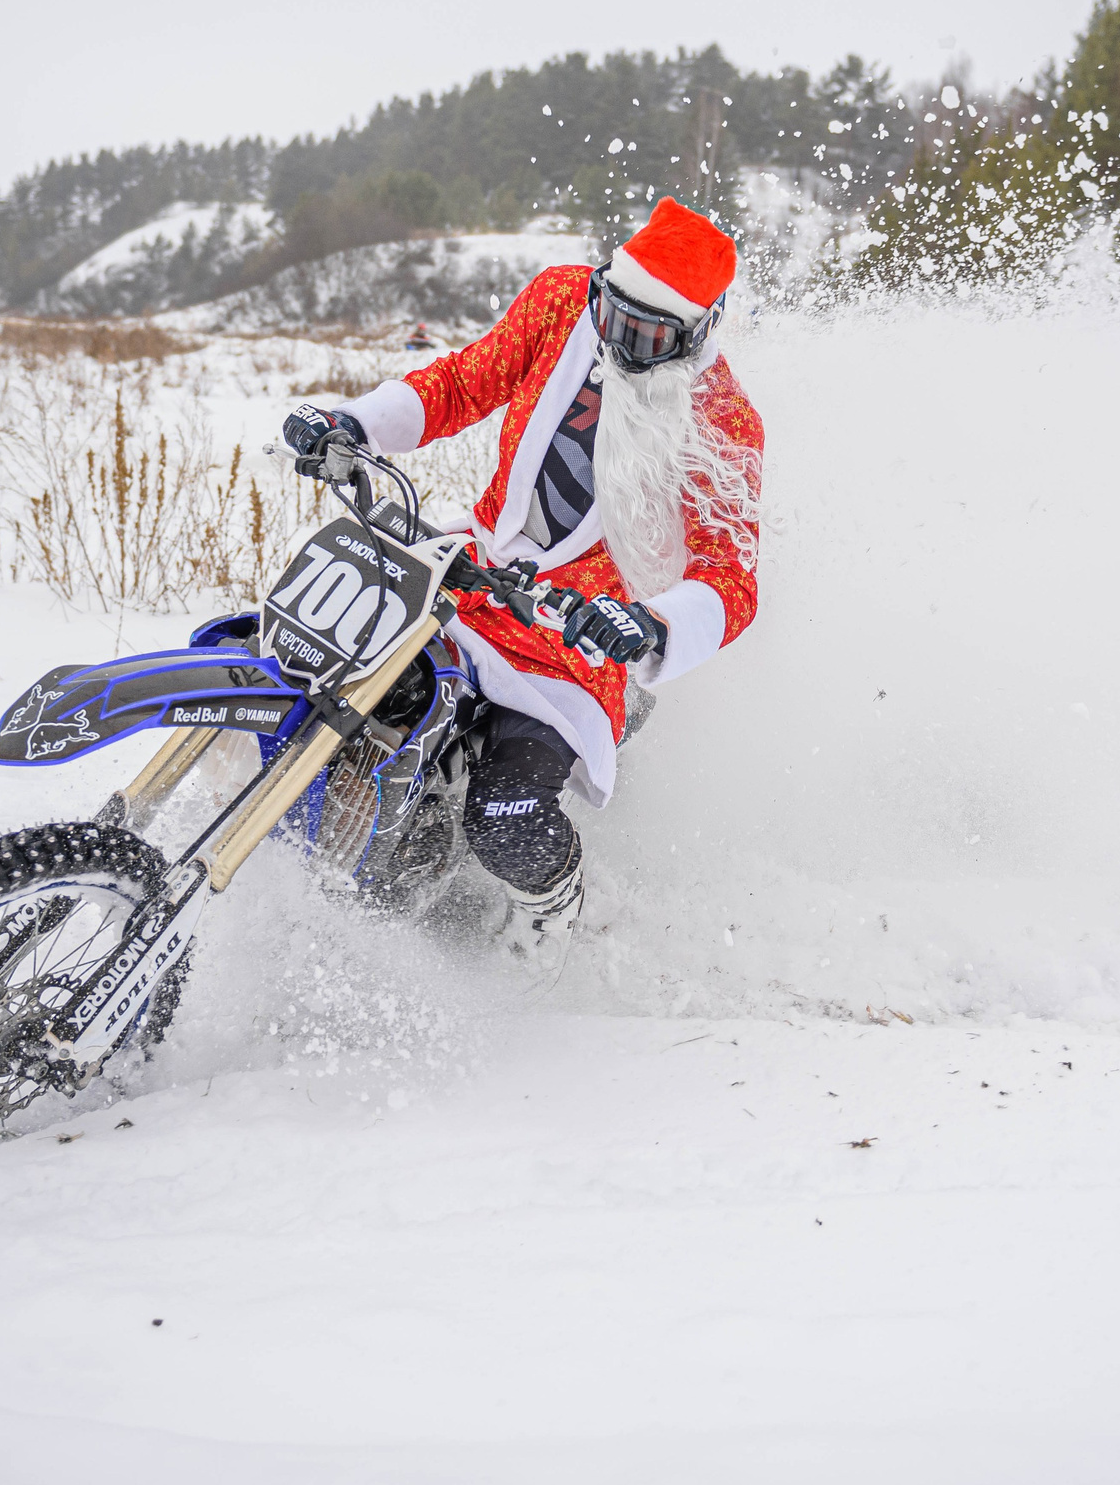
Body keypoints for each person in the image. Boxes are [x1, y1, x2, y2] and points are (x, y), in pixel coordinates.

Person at [282, 198, 763, 958]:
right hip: (471, 574)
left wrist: (652, 625)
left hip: (574, 639)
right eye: (613, 314)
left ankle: (556, 924)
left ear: (696, 336)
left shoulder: (722, 421)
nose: (618, 340)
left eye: (646, 335)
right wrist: (357, 425)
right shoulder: (562, 301)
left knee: (505, 816)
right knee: (330, 689)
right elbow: (460, 384)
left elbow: (731, 577)